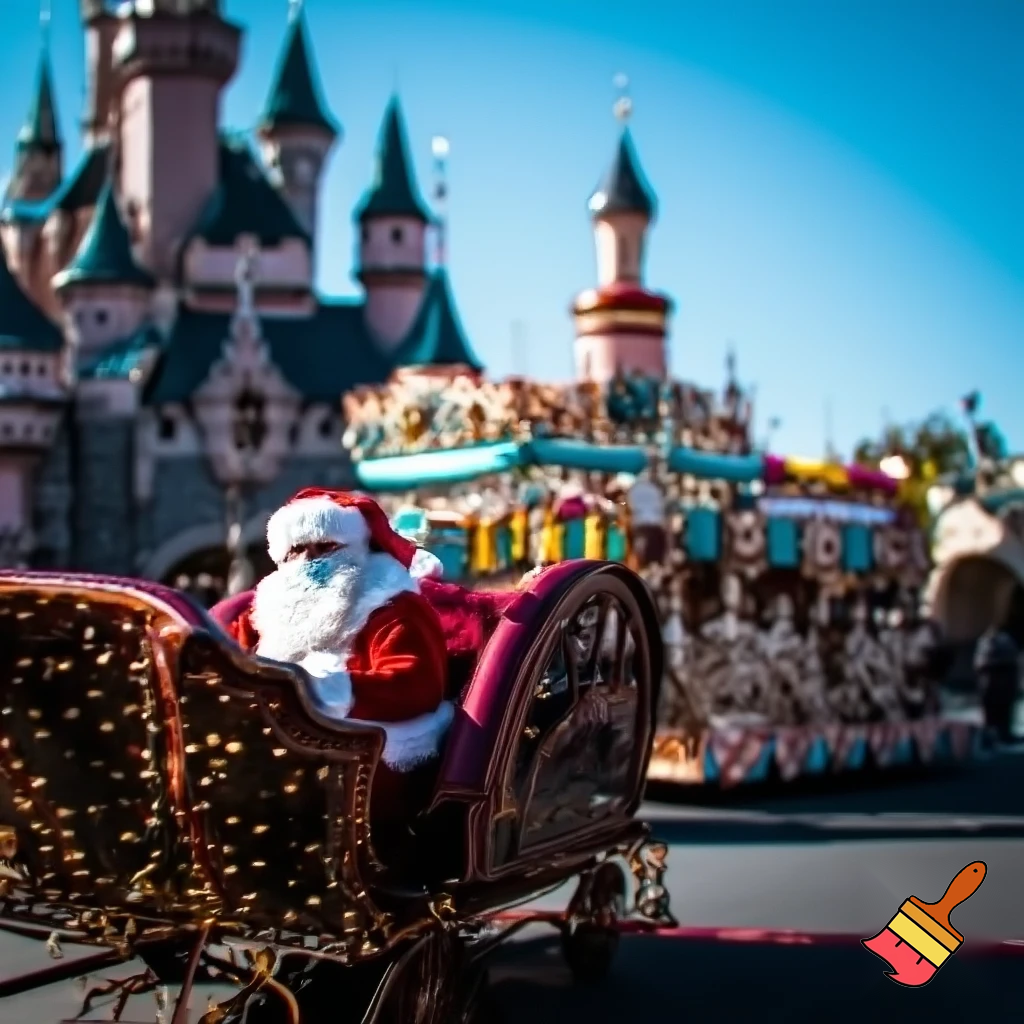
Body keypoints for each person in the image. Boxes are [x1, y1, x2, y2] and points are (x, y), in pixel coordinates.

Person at [220, 487, 451, 822]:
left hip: (364, 750)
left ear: (357, 548)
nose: (308, 561)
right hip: (278, 735)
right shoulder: (269, 606)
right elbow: (227, 652)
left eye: (325, 547)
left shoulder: (392, 605)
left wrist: (318, 688)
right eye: (296, 550)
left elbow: (415, 683)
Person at [974, 626, 1020, 745]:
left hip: (999, 686)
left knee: (1002, 713)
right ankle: (994, 735)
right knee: (993, 714)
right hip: (993, 686)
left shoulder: (1000, 642)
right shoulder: (990, 642)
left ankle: (1001, 734)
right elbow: (980, 664)